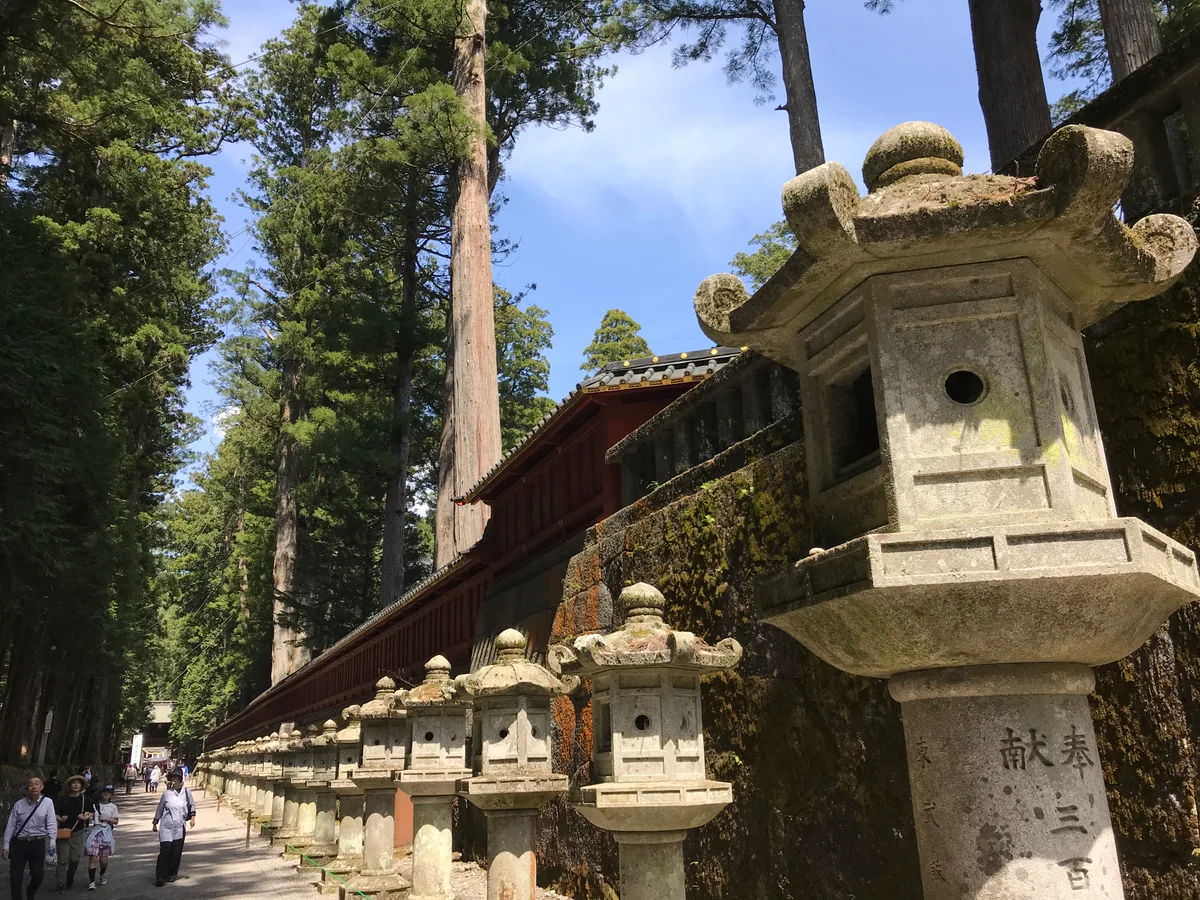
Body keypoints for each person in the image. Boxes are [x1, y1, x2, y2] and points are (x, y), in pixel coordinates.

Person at [2, 777, 56, 900]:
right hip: (19, 843)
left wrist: (52, 843)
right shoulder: (19, 804)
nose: (34, 787)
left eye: (37, 784)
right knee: (15, 877)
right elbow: (11, 825)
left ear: (41, 787)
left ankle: (31, 893)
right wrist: (6, 845)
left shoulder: (48, 803)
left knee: (38, 875)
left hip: (37, 843)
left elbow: (51, 823)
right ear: (27, 788)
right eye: (31, 784)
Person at [151, 770, 194, 887]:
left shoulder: (186, 792)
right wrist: (155, 822)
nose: (173, 780)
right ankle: (161, 876)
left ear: (180, 780)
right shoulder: (166, 794)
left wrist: (193, 818)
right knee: (165, 850)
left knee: (176, 851)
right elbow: (160, 808)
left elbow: (192, 805)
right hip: (166, 826)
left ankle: (172, 874)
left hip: (179, 826)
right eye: (172, 778)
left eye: (175, 778)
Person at [53, 775, 91, 892]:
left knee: (74, 859)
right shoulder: (62, 799)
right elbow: (54, 813)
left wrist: (84, 817)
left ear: (81, 786)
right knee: (62, 859)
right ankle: (60, 882)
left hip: (77, 832)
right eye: (73, 783)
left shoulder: (84, 799)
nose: (75, 785)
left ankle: (70, 874)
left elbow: (90, 812)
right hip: (63, 832)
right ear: (69, 786)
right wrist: (60, 818)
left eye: (78, 783)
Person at [83, 787, 118, 892]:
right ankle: (91, 881)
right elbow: (88, 814)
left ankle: (102, 873)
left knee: (103, 859)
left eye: (108, 793)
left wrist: (108, 819)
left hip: (106, 832)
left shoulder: (113, 807)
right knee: (93, 857)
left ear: (111, 795)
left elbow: (116, 821)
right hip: (95, 832)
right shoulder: (94, 805)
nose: (106, 794)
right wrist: (85, 816)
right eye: (104, 792)